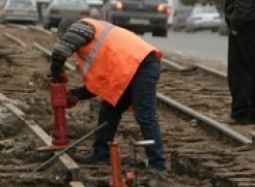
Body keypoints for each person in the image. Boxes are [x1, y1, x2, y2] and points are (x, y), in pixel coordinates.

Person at [50, 18, 167, 172]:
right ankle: (101, 155)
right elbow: (102, 84)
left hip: (142, 65)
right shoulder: (92, 44)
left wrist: (56, 73)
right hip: (129, 69)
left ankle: (157, 164)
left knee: (145, 115)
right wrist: (76, 94)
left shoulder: (81, 27)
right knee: (108, 112)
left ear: (66, 32)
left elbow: (60, 52)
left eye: (62, 38)